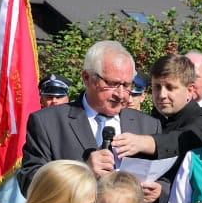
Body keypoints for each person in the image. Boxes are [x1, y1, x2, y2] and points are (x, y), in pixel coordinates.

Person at [18, 40, 161, 193]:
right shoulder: (48, 122)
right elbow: (30, 182)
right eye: (112, 84)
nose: (121, 94)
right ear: (87, 78)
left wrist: (158, 194)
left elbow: (166, 179)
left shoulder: (148, 125)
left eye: (126, 85)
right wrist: (83, 172)